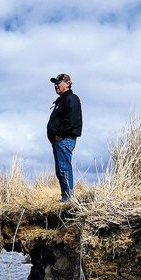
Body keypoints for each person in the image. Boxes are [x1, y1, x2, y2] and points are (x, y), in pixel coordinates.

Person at [46, 73, 82, 201]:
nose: (56, 85)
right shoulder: (61, 100)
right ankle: (65, 197)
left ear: (67, 83)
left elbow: (72, 121)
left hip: (64, 139)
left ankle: (68, 198)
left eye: (59, 82)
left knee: (64, 168)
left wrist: (60, 134)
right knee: (60, 170)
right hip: (59, 141)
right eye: (55, 83)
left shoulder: (71, 98)